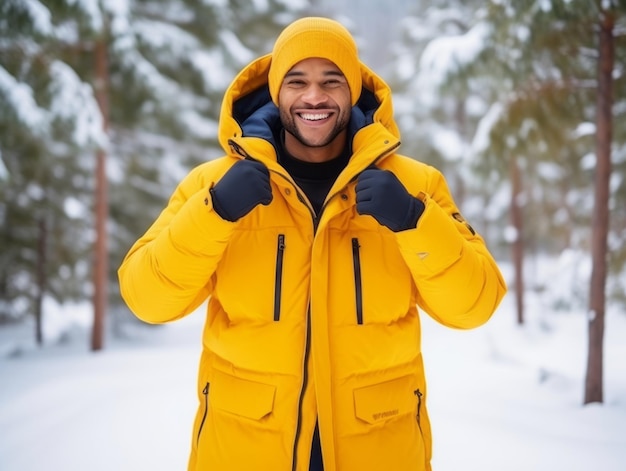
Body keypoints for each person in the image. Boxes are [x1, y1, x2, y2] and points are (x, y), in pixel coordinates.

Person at [118, 16, 507, 471]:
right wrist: (215, 213)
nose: (314, 97)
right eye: (297, 81)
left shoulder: (414, 185)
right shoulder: (213, 184)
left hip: (380, 447)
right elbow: (147, 299)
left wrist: (413, 221)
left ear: (352, 91)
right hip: (245, 448)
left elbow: (474, 304)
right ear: (277, 92)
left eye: (331, 81)